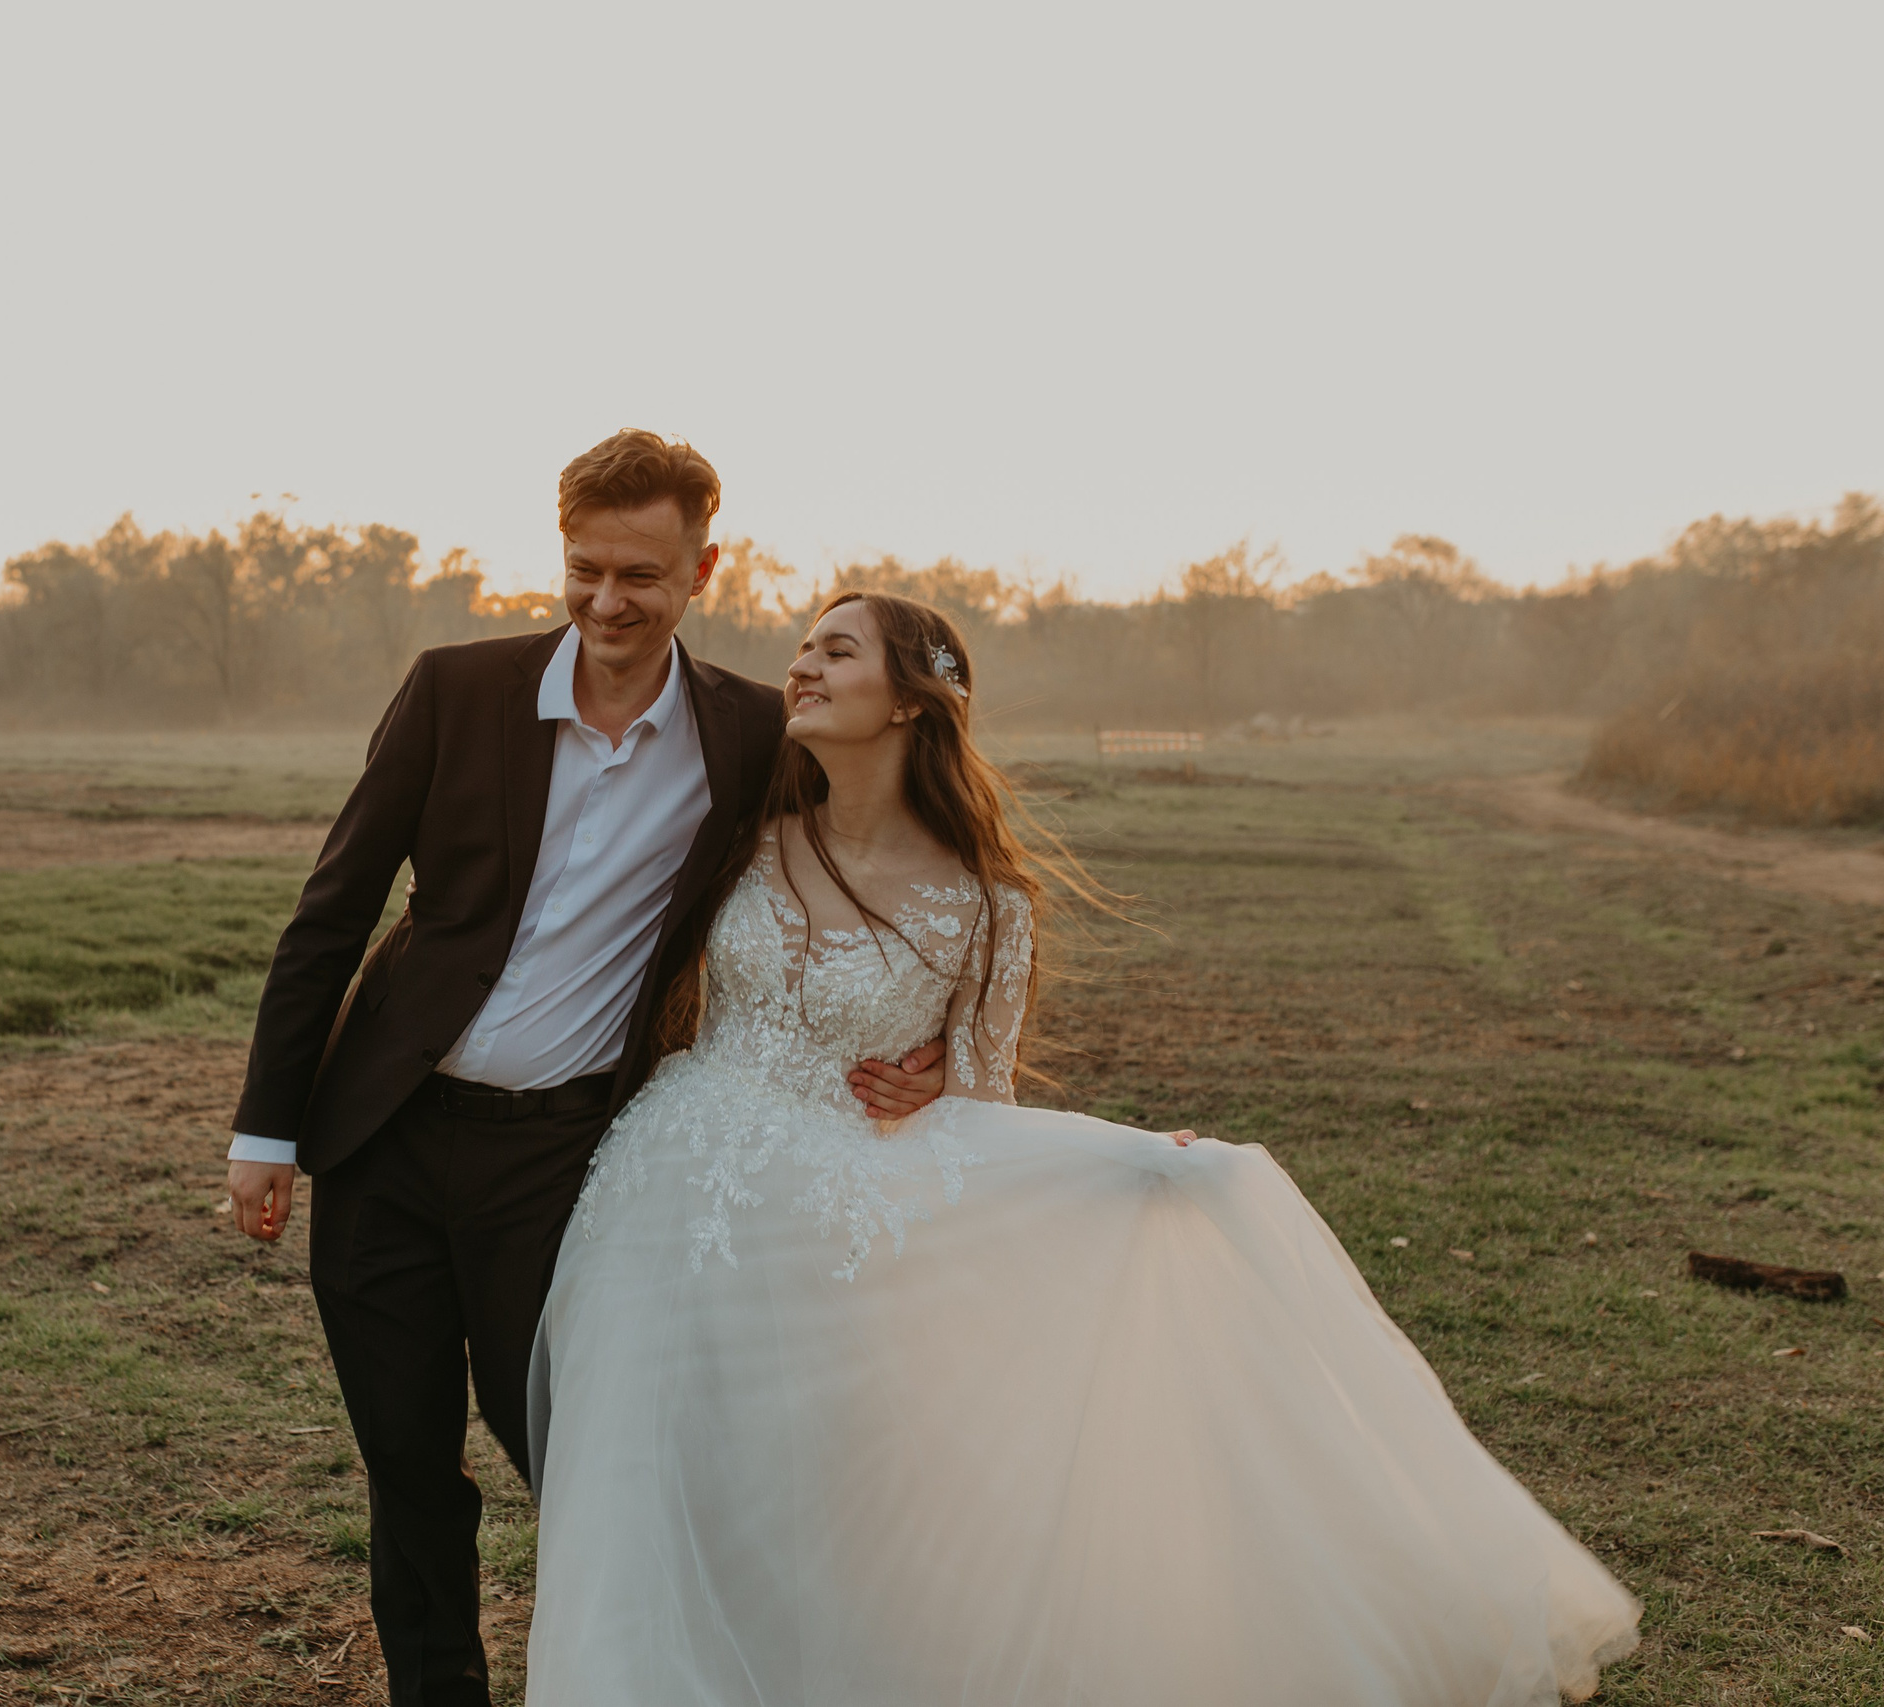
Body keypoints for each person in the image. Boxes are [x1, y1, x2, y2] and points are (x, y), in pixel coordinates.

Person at [525, 592, 1644, 1705]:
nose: (801, 669)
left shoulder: (987, 906)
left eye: (836, 651)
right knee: (638, 1494)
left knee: (810, 1505)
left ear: (913, 703)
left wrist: (1130, 1161)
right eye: (801, 649)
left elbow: (981, 1098)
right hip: (667, 1193)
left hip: (831, 1231)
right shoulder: (734, 838)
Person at [222, 431, 949, 1707]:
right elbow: (330, 912)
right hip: (383, 1137)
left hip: (559, 1159)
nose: (607, 602)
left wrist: (922, 1027)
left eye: (640, 577)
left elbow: (863, 863)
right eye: (584, 570)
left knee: (572, 1450)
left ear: (701, 570)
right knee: (404, 1459)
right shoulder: (456, 689)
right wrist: (265, 1131)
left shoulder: (743, 735)